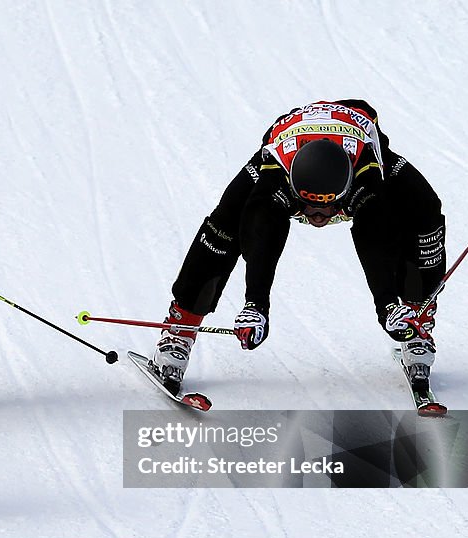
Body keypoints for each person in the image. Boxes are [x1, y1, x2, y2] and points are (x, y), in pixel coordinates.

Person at [150, 99, 446, 395]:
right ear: (293, 188)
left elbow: (374, 240)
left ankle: (416, 319)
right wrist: (256, 305)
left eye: (329, 206)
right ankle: (180, 328)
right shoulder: (275, 168)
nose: (318, 217)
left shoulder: (365, 171)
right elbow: (262, 234)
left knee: (424, 208)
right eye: (308, 206)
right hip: (290, 142)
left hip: (358, 138)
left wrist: (387, 305)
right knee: (226, 222)